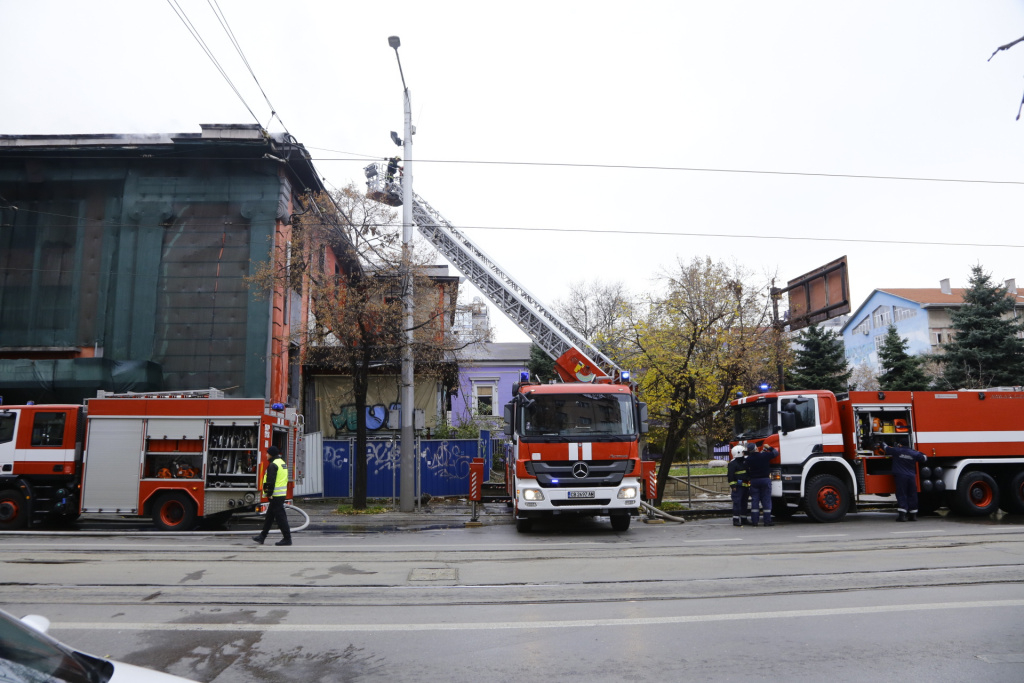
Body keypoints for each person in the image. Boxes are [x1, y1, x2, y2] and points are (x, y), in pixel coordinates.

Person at [875, 439, 927, 521]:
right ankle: (913, 515)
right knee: (912, 494)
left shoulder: (897, 450)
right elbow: (924, 458)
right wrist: (917, 451)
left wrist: (882, 443)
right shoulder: (913, 453)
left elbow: (886, 448)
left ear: (900, 444)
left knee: (902, 494)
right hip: (911, 476)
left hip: (901, 476)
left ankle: (902, 516)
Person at [252, 446, 292, 546]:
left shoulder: (273, 465)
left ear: (271, 454)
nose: (266, 455)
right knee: (269, 516)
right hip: (280, 494)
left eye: (267, 453)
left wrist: (269, 494)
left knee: (281, 517)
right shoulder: (282, 463)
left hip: (275, 495)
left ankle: (287, 539)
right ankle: (262, 536)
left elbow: (270, 481)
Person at [745, 442, 776, 527]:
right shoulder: (764, 455)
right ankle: (767, 521)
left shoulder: (748, 459)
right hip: (765, 480)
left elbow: (746, 469)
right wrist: (769, 447)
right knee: (766, 501)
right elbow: (776, 453)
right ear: (756, 448)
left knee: (755, 501)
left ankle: (755, 521)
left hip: (754, 481)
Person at [727, 445, 751, 527]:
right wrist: (733, 486)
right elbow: (730, 476)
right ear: (739, 453)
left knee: (744, 503)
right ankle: (736, 520)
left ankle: (744, 519)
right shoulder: (732, 464)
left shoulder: (745, 461)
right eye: (743, 452)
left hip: (746, 486)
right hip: (737, 487)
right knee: (737, 503)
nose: (744, 453)